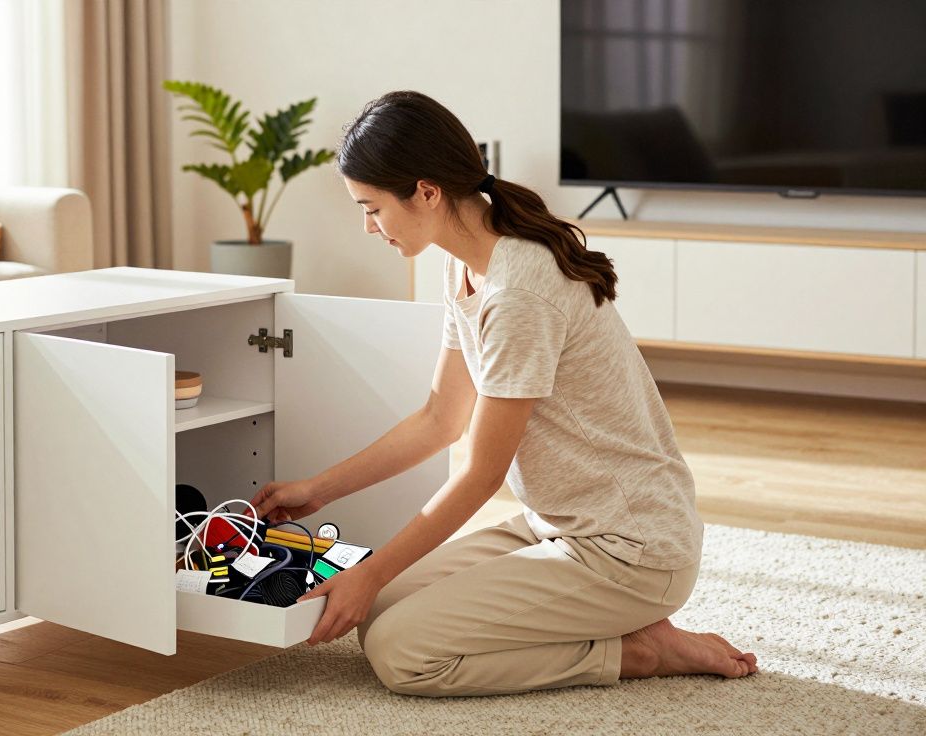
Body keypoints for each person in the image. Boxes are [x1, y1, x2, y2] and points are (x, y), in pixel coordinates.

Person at [249, 90, 757, 697]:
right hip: (558, 525)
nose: (368, 227)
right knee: (381, 604)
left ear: (427, 192)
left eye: (372, 208)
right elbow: (440, 419)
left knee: (400, 652)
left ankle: (638, 650)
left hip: (630, 549)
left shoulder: (519, 291)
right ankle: (615, 627)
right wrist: (315, 491)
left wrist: (369, 569)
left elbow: (480, 475)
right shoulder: (462, 261)